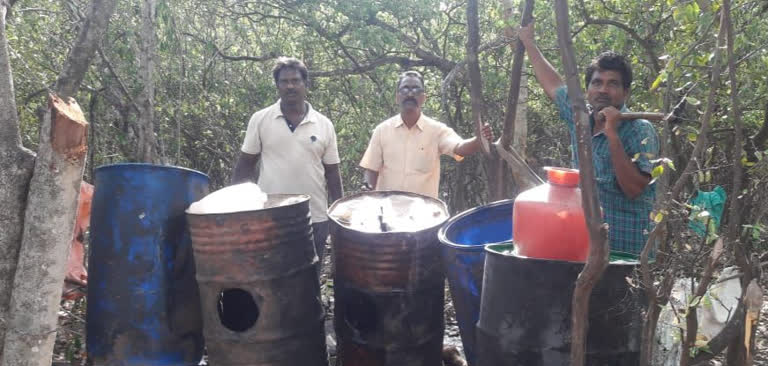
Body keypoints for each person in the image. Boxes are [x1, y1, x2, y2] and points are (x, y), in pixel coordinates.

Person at [519, 23, 660, 256]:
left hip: (627, 252)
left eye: (612, 84)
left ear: (626, 93)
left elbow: (634, 189)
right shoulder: (580, 117)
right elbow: (554, 85)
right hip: (586, 245)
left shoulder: (639, 130)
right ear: (587, 90)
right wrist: (529, 43)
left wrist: (612, 135)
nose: (603, 90)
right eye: (597, 83)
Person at [232, 57, 343, 261]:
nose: (290, 86)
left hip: (314, 218)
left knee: (310, 280)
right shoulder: (260, 119)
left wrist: (337, 218)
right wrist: (241, 211)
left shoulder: (324, 125)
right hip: (269, 217)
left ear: (305, 84)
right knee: (272, 278)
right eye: (284, 81)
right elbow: (245, 166)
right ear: (277, 86)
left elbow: (333, 174)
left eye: (295, 80)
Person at [359, 70, 493, 198]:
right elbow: (372, 168)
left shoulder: (437, 130)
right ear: (397, 97)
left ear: (423, 98)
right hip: (387, 212)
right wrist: (367, 188)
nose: (410, 94)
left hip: (423, 215)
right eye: (405, 88)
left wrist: (479, 140)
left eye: (416, 89)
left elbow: (459, 148)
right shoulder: (382, 130)